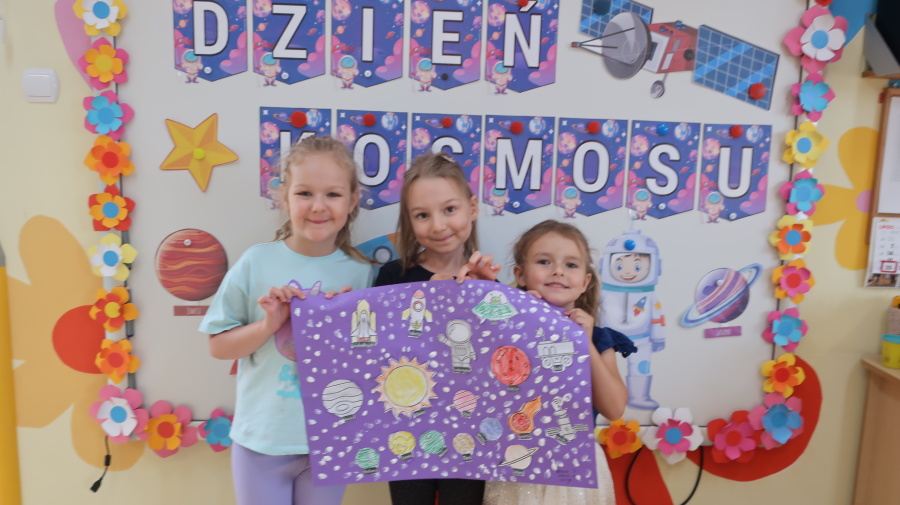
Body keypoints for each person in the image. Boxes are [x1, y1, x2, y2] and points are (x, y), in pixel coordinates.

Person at [199, 135, 373, 505]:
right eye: (304, 193)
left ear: (353, 200)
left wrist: (349, 330)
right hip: (261, 442)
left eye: (333, 194)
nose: (318, 206)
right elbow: (217, 346)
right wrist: (268, 325)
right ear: (284, 196)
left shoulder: (361, 273)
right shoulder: (255, 262)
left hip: (331, 442)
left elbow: (371, 363)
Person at [374, 151, 500, 505]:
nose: (438, 225)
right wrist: (426, 299)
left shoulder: (485, 279)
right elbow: (375, 351)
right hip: (406, 427)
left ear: (472, 208)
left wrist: (489, 293)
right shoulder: (393, 276)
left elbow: (499, 363)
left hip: (469, 427)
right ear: (409, 220)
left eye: (449, 209)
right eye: (422, 215)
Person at [483, 219, 635, 505]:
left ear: (585, 282)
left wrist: (585, 344)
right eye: (544, 261)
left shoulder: (599, 340)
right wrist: (517, 323)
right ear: (520, 274)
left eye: (571, 264)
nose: (558, 271)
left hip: (574, 472)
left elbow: (614, 408)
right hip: (518, 465)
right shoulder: (503, 334)